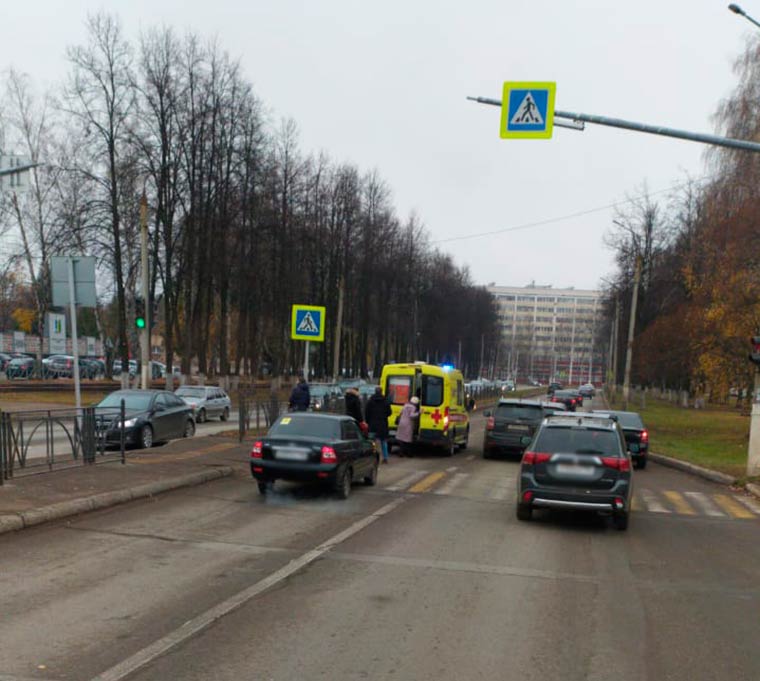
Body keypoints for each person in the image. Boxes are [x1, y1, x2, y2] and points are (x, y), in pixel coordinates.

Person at [365, 386, 392, 463]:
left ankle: (372, 457)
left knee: (372, 441)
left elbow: (367, 412)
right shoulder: (386, 401)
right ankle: (385, 457)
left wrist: (368, 421)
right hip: (382, 424)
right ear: (381, 391)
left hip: (372, 424)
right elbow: (389, 412)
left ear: (375, 391)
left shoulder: (370, 401)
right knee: (383, 441)